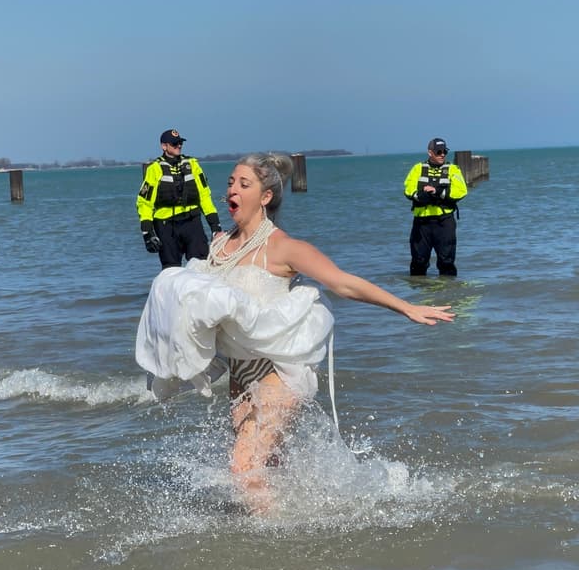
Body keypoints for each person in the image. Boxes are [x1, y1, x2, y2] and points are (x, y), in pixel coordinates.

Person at [136, 152, 454, 513]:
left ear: (266, 196)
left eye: (244, 184)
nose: (231, 191)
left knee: (243, 468)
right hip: (241, 372)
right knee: (268, 467)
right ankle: (298, 530)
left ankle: (271, 551)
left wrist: (407, 307)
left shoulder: (284, 248)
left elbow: (343, 283)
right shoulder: (219, 247)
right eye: (229, 183)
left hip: (280, 370)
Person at [136, 128, 223, 268]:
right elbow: (144, 203)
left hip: (192, 222)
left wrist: (215, 226)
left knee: (201, 264)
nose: (179, 146)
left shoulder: (193, 165)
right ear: (164, 146)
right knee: (171, 268)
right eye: (174, 144)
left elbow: (205, 196)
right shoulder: (154, 169)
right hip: (166, 226)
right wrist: (148, 233)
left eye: (180, 143)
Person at [403, 137, 467, 276]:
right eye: (439, 151)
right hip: (422, 223)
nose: (442, 154)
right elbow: (408, 189)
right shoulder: (417, 168)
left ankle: (448, 294)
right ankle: (417, 293)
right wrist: (421, 195)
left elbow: (461, 191)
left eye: (445, 151)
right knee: (418, 262)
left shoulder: (452, 169)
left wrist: (437, 191)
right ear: (430, 152)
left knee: (446, 261)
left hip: (444, 222)